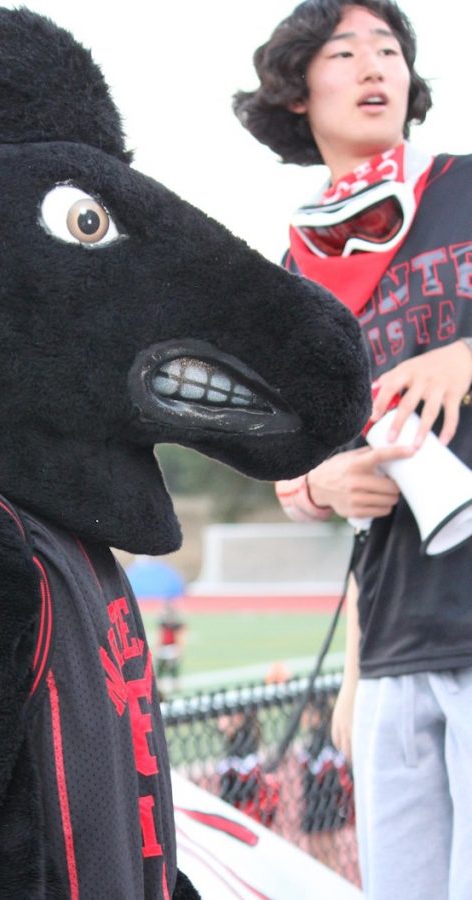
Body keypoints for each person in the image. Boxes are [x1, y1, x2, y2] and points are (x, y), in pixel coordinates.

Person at [235, 2, 472, 898]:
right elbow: (290, 471)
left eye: (389, 49)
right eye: (345, 51)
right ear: (297, 92)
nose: (376, 65)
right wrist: (327, 483)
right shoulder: (296, 272)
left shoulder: (462, 184)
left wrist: (463, 354)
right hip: (393, 640)